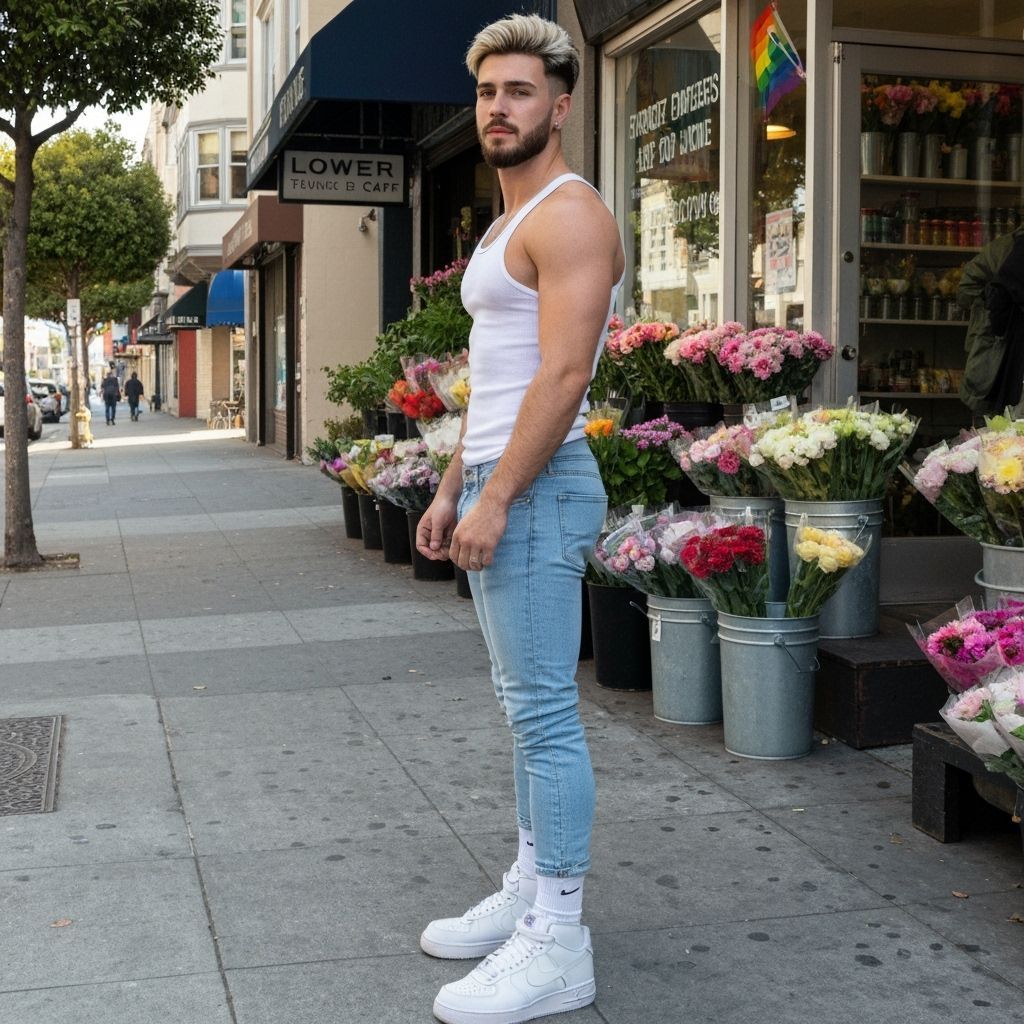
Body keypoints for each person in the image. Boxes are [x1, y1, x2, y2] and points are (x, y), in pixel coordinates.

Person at [414, 14, 624, 1024]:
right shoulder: (505, 223)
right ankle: (529, 888)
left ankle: (560, 939)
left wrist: (497, 495)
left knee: (543, 714)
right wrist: (456, 482)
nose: (499, 107)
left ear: (561, 103)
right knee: (521, 708)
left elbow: (563, 374)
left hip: (539, 484)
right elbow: (495, 379)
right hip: (503, 471)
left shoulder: (570, 214)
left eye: (520, 91)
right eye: (488, 91)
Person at [958, 222, 1024, 417]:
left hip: (997, 349)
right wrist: (990, 305)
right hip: (998, 348)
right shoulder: (1009, 249)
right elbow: (966, 289)